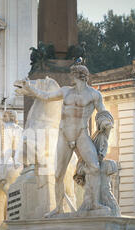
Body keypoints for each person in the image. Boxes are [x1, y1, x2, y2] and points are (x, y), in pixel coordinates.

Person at [15, 63, 113, 216]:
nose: (70, 77)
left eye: (72, 74)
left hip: (81, 134)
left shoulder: (94, 95)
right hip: (64, 135)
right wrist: (29, 87)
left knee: (94, 166)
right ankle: (58, 207)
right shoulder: (66, 91)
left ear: (78, 75)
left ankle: (93, 203)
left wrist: (106, 122)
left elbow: (103, 112)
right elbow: (46, 96)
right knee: (58, 174)